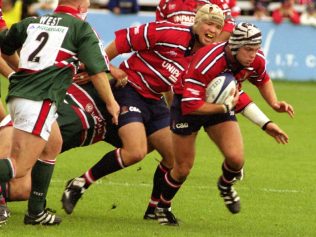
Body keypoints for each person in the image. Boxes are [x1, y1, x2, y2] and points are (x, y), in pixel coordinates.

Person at [60, 3, 227, 219]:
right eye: (209, 23)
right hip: (130, 90)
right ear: (197, 22)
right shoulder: (168, 31)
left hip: (155, 101)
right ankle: (79, 183)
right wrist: (105, 67)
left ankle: (154, 208)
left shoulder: (205, 57)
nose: (212, 30)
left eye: (217, 27)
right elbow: (122, 42)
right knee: (136, 152)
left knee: (175, 157)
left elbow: (174, 86)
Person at [154, 22, 294, 225]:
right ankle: (162, 207)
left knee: (236, 159)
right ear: (235, 46)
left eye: (256, 49)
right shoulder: (208, 61)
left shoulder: (254, 59)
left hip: (222, 104)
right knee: (183, 167)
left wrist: (272, 107)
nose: (253, 55)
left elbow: (262, 79)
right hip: (188, 107)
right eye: (249, 49)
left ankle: (225, 185)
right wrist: (224, 107)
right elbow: (191, 105)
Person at [0, 0, 119, 226]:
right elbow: (97, 70)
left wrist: (19, 74)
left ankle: (36, 212)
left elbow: (5, 48)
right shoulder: (80, 28)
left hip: (21, 96)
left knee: (53, 143)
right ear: (83, 8)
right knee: (20, 166)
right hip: (39, 101)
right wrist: (112, 103)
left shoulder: (33, 22)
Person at [0, 81, 122, 226]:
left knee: (23, 190)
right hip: (33, 109)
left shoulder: (129, 116)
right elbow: (96, 63)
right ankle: (30, 211)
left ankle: (36, 212)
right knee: (17, 164)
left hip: (45, 121)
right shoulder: (90, 74)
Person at [156, 0, 235, 42]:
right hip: (174, 52)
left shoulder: (216, 1)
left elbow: (230, 25)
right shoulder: (166, 2)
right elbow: (159, 29)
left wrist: (211, 48)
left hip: (201, 54)